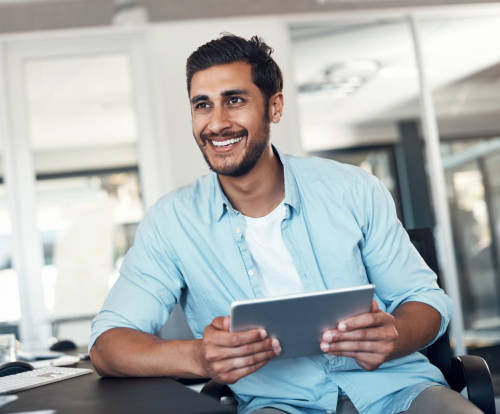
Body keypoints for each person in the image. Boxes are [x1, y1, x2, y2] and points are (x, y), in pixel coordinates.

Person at [88, 34, 481, 414]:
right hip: (277, 404)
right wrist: (199, 357)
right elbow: (107, 345)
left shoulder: (352, 188)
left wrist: (393, 336)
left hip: (399, 390)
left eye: (235, 100)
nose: (217, 122)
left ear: (274, 108)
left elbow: (426, 301)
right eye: (202, 105)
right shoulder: (172, 222)